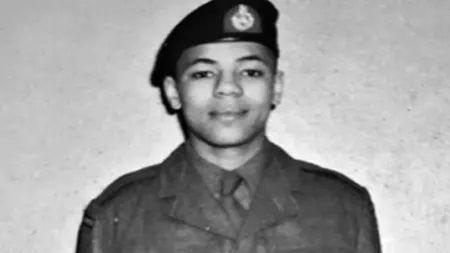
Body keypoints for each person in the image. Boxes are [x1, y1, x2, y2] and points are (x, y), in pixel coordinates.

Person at [76, 0, 382, 252]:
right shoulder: (120, 213)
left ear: (276, 87)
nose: (228, 88)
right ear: (173, 92)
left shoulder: (342, 207)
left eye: (250, 72)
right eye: (203, 74)